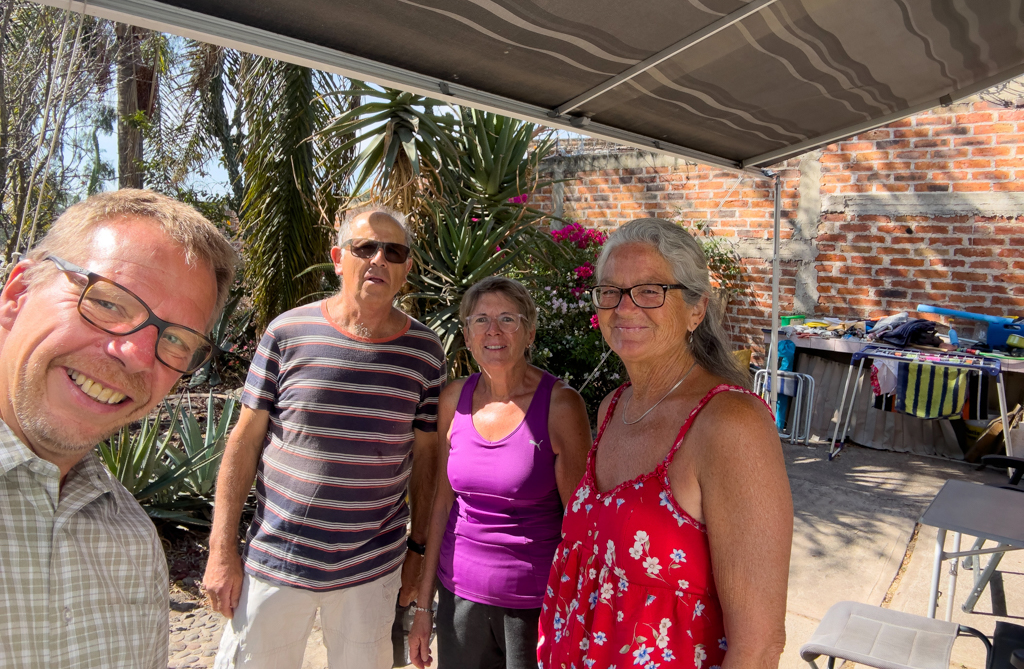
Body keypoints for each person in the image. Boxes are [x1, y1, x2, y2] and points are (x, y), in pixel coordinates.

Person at [538, 218, 793, 669]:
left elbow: (758, 646)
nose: (625, 307)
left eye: (651, 290)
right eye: (610, 291)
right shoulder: (614, 406)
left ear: (696, 310)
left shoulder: (730, 423)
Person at [0, 189, 238, 669]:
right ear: (17, 295)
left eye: (175, 340)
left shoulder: (131, 539)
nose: (134, 354)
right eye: (108, 303)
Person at [205, 204, 446, 669]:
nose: (379, 259)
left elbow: (427, 458)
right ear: (339, 257)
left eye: (393, 251)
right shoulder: (287, 332)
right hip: (277, 558)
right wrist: (221, 550)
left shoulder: (425, 352)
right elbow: (244, 441)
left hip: (371, 569)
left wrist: (416, 552)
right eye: (365, 247)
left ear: (407, 269)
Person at [409, 276, 592, 669]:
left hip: (533, 607)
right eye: (480, 321)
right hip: (458, 599)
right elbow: (441, 504)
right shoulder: (453, 399)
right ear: (467, 335)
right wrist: (424, 605)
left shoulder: (561, 406)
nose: (493, 331)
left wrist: (579, 614)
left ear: (530, 332)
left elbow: (581, 525)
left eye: (508, 319)